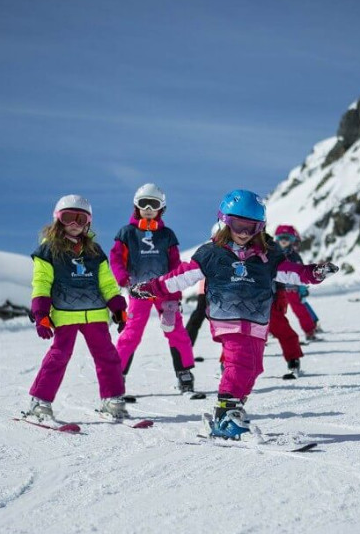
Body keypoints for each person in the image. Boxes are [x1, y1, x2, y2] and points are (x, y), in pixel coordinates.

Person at [130, 189, 339, 439]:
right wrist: (152, 288)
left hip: (258, 320)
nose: (243, 233)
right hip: (226, 316)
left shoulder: (267, 256)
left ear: (259, 228)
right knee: (238, 362)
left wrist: (313, 273)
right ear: (224, 222)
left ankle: (235, 406)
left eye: (251, 228)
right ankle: (224, 414)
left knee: (254, 367)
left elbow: (291, 273)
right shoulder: (211, 253)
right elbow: (181, 276)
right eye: (238, 225)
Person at [25, 194, 129, 421]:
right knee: (59, 356)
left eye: (80, 219)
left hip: (95, 314)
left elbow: (108, 283)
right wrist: (41, 313)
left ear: (88, 223)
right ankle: (40, 402)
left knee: (107, 356)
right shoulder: (49, 250)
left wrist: (118, 308)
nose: (73, 224)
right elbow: (42, 282)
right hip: (65, 314)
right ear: (57, 220)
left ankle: (113, 400)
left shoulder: (94, 252)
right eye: (68, 217)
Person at [109, 183, 197, 394]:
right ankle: (117, 376)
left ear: (161, 208)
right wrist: (123, 279)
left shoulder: (166, 234)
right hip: (139, 290)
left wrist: (175, 295)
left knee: (176, 331)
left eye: (153, 204)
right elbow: (115, 258)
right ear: (136, 206)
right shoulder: (127, 232)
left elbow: (175, 264)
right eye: (143, 203)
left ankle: (184, 373)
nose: (148, 208)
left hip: (164, 290)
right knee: (131, 333)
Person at [274, 224, 319, 342]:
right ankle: (268, 333)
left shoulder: (294, 256)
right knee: (272, 312)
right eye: (281, 238)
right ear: (277, 239)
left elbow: (302, 272)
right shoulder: (272, 254)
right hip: (276, 289)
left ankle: (310, 331)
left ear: (292, 240)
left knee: (301, 310)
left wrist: (302, 288)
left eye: (287, 238)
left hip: (292, 289)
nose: (284, 241)